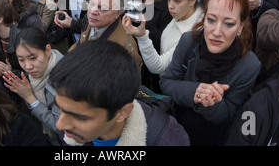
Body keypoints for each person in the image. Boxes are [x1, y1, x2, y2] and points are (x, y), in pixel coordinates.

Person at [159, 0, 261, 146]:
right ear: (204, 18)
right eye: (211, 20)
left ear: (241, 27)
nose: (217, 31)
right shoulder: (188, 41)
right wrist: (195, 92)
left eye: (228, 24)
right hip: (175, 128)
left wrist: (212, 103)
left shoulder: (249, 66)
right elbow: (166, 82)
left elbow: (229, 113)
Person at [49, 39, 190, 146]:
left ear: (122, 113)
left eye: (80, 117)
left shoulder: (167, 140)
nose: (60, 125)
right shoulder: (71, 131)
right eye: (61, 109)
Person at [123, 0, 206, 77]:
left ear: (192, 0)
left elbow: (158, 66)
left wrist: (142, 37)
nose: (170, 6)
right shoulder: (181, 14)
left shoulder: (192, 32)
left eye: (177, 0)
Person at [2, 28, 64, 145]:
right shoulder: (35, 76)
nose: (28, 66)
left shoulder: (62, 80)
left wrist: (30, 98)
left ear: (47, 51)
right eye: (21, 60)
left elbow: (60, 126)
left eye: (33, 58)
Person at [67, 0, 143, 71]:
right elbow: (80, 44)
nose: (92, 11)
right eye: (91, 4)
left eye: (102, 8)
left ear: (117, 13)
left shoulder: (125, 48)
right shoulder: (93, 21)